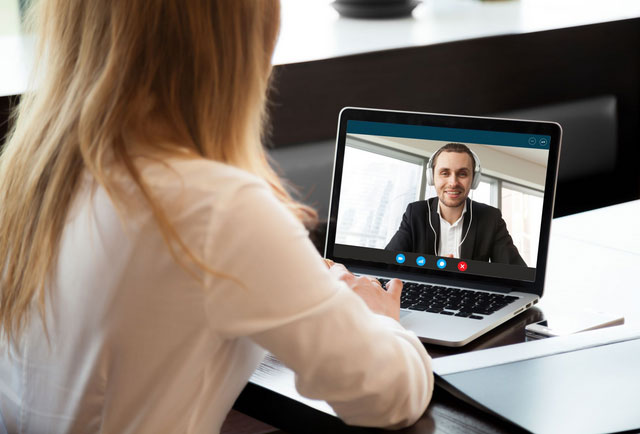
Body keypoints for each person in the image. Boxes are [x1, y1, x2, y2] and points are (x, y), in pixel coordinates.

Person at [0, 1, 433, 432]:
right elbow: (387, 396)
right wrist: (375, 320)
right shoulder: (215, 208)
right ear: (240, 44)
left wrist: (300, 295)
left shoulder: (28, 177)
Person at [385, 143, 526, 266]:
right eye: (445, 173)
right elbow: (387, 265)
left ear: (474, 179)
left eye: (462, 174)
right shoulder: (416, 213)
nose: (453, 182)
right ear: (432, 177)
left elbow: (518, 275)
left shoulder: (490, 218)